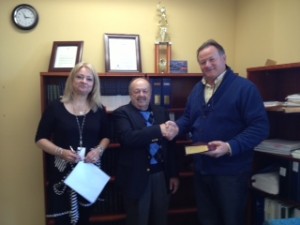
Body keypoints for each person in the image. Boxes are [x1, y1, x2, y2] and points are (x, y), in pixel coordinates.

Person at [166, 39, 269, 225]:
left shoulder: (245, 88)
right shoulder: (197, 89)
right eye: (203, 62)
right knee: (207, 219)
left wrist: (229, 147)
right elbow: (189, 118)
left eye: (212, 59)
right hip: (202, 169)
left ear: (224, 58)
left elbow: (260, 127)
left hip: (231, 173)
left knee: (231, 220)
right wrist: (177, 127)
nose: (207, 65)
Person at [35, 62, 110, 225]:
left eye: (89, 79)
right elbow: (40, 139)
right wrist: (61, 152)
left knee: (85, 218)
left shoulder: (99, 108)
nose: (84, 81)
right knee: (63, 220)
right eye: (80, 77)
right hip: (62, 174)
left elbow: (106, 137)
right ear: (72, 80)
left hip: (89, 172)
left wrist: (98, 150)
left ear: (94, 84)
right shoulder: (55, 107)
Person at [113, 77, 180, 225]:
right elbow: (128, 138)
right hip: (135, 178)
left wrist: (173, 174)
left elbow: (170, 146)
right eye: (137, 91)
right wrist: (158, 130)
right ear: (130, 94)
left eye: (145, 91)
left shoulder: (161, 111)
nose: (141, 95)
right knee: (138, 220)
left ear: (150, 93)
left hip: (161, 176)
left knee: (161, 219)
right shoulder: (122, 113)